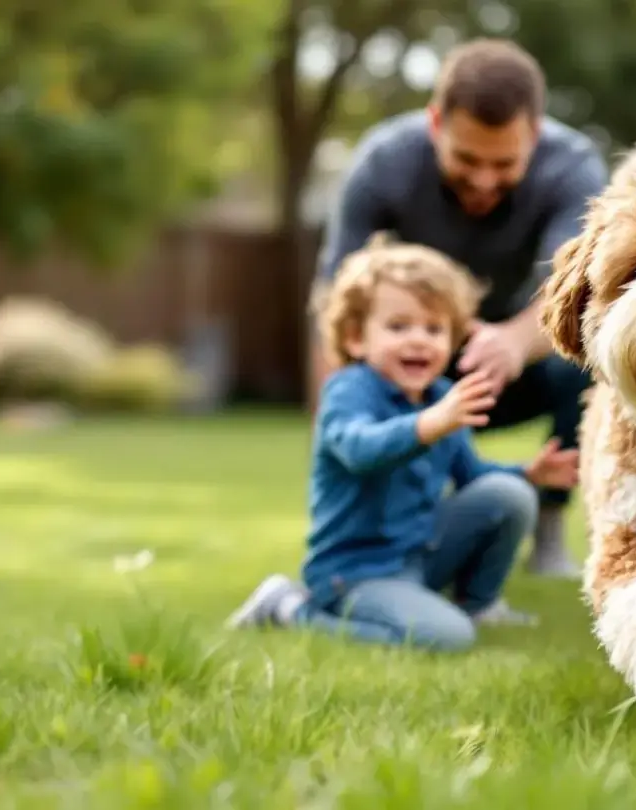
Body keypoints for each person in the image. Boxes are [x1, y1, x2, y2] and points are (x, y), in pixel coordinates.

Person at [309, 38, 609, 578]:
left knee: (588, 358)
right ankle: (395, 533)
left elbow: (578, 291)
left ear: (534, 137)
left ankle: (545, 530)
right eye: (466, 159)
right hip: (411, 367)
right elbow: (335, 301)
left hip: (516, 361)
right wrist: (333, 421)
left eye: (504, 163)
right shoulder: (384, 162)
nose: (484, 181)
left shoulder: (574, 169)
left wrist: (512, 342)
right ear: (435, 124)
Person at [226, 235, 580, 650]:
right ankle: (289, 608)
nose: (418, 339)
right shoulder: (348, 391)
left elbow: (471, 475)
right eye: (398, 326)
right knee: (447, 639)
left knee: (509, 494)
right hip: (356, 572)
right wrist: (429, 424)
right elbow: (359, 450)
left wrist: (529, 472)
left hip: (421, 556)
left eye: (434, 328)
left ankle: (478, 604)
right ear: (357, 338)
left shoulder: (440, 396)